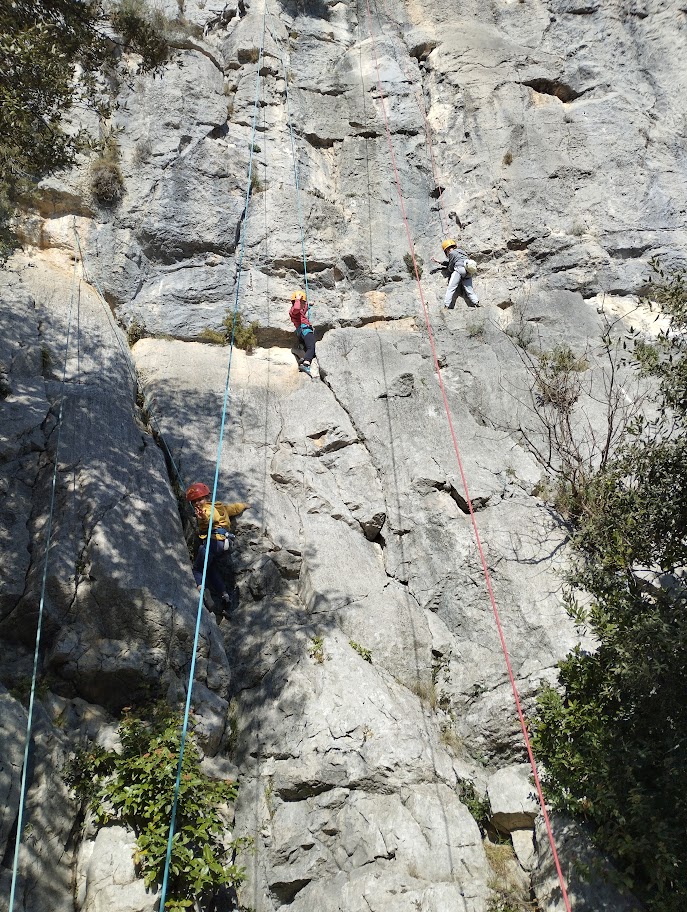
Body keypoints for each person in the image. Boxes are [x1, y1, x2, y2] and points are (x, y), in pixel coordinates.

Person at [185, 482, 250, 610]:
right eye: (194, 501)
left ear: (207, 498)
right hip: (224, 544)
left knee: (198, 569)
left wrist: (203, 517)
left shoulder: (207, 510)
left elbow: (210, 517)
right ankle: (224, 595)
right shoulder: (221, 507)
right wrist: (244, 505)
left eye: (200, 499)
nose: (198, 503)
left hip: (213, 542)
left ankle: (201, 589)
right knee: (210, 569)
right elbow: (233, 508)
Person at [431, 238, 479, 308]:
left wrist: (450, 269)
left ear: (446, 249)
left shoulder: (452, 253)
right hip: (468, 271)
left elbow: (450, 267)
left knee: (451, 287)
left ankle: (446, 305)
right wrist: (439, 261)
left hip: (459, 269)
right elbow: (456, 260)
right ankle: (476, 302)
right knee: (470, 290)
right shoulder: (462, 252)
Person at [289, 289, 316, 375]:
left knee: (307, 348)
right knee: (311, 347)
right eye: (303, 302)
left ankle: (303, 358)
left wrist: (309, 305)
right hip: (305, 330)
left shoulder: (299, 311)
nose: (304, 304)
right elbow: (297, 308)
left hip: (302, 332)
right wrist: (298, 299)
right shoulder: (293, 310)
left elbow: (303, 309)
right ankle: (306, 364)